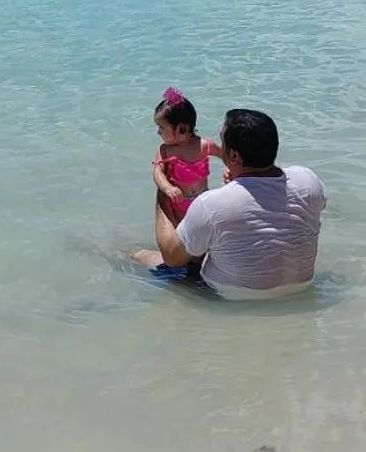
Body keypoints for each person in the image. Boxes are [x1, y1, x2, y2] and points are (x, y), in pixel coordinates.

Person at [135, 108, 327, 299]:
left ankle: (112, 254)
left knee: (142, 257)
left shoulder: (210, 204)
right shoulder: (309, 181)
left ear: (234, 156)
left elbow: (172, 257)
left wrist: (164, 192)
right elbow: (271, 206)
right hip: (302, 287)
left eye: (222, 139)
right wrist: (242, 179)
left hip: (227, 297)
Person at [150, 88, 223, 225]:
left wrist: (232, 171)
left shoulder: (204, 145)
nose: (158, 132)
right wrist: (168, 188)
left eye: (161, 128)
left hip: (203, 200)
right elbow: (157, 172)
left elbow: (226, 156)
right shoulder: (165, 150)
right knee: (182, 233)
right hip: (179, 204)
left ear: (181, 129)